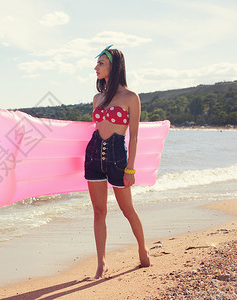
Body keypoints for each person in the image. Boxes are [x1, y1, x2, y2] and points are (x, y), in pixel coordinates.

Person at [84, 45, 151, 279]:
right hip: (93, 156)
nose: (96, 67)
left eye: (101, 63)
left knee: (127, 209)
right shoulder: (97, 98)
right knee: (98, 210)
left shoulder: (131, 98)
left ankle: (142, 247)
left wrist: (130, 168)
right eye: (97, 63)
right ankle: (101, 262)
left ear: (114, 66)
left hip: (118, 159)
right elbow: (95, 129)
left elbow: (134, 136)